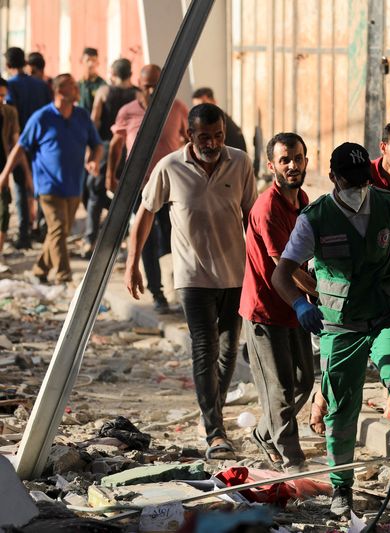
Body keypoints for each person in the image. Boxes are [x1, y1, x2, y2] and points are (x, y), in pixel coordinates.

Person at [272, 141, 390, 516]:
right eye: (349, 182)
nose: (357, 189)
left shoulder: (385, 205)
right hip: (340, 323)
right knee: (341, 404)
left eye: (361, 181)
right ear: (333, 178)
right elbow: (281, 274)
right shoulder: (314, 218)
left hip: (385, 311)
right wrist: (300, 303)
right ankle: (341, 488)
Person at [125, 103, 256, 460]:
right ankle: (215, 431)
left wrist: (260, 270)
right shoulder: (169, 167)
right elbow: (146, 213)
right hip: (192, 276)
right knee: (205, 347)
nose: (212, 144)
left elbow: (251, 218)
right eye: (204, 137)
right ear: (189, 135)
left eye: (217, 136)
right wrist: (132, 262)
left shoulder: (241, 163)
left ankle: (210, 413)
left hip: (234, 273)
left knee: (229, 351)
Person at [239, 132, 315, 471]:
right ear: (272, 166)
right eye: (285, 160)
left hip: (294, 307)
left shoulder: (303, 202)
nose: (293, 165)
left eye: (298, 158)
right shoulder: (267, 207)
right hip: (265, 310)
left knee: (305, 381)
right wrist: (316, 294)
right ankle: (292, 459)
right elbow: (283, 267)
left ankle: (264, 433)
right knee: (281, 390)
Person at [0, 74, 102, 284]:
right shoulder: (42, 117)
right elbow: (20, 147)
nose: (76, 89)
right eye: (72, 86)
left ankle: (39, 269)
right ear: (59, 91)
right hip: (48, 185)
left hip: (74, 185)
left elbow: (97, 144)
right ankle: (64, 276)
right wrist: (5, 174)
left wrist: (93, 159)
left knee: (60, 233)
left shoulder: (82, 116)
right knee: (57, 229)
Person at [108, 64, 188, 313]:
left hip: (172, 187)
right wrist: (111, 175)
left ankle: (183, 290)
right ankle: (157, 293)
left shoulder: (177, 108)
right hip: (140, 188)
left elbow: (189, 139)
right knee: (146, 239)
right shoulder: (128, 112)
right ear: (138, 85)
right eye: (147, 86)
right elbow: (116, 144)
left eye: (156, 85)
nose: (152, 90)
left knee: (176, 239)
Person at [79, 58, 137, 257]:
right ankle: (118, 241)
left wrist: (90, 151)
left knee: (95, 194)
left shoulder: (104, 92)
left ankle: (90, 240)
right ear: (130, 73)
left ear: (113, 72)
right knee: (123, 197)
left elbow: (94, 121)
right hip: (129, 150)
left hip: (104, 148)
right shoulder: (138, 95)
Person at [3, 47, 50, 250]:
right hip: (42, 143)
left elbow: (11, 118)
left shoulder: (10, 86)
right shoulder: (41, 85)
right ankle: (41, 229)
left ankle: (24, 234)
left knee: (21, 187)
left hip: (21, 143)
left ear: (7, 65)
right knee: (39, 185)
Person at [0, 78, 26, 263]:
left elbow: (17, 142)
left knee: (3, 212)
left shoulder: (9, 112)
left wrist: (25, 169)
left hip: (2, 167)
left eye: (3, 96)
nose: (1, 100)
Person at [191, 87, 247, 153]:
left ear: (214, 101)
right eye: (196, 107)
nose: (200, 110)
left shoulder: (218, 120)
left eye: (203, 105)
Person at [77, 47, 106, 114]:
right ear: (81, 61)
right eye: (88, 60)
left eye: (93, 60)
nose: (90, 64)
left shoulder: (102, 85)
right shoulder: (77, 85)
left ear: (98, 63)